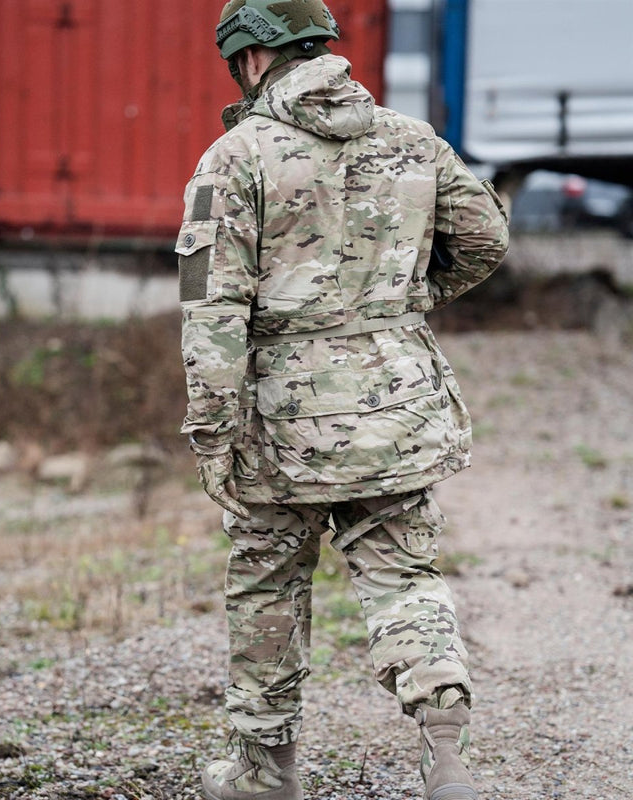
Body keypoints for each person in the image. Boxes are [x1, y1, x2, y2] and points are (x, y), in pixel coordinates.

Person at [175, 2, 509, 799]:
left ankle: (265, 772)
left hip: (278, 423)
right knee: (403, 575)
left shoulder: (234, 157)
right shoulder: (409, 138)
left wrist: (212, 433)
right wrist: (406, 302)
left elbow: (213, 309)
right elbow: (488, 238)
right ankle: (447, 756)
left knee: (266, 581)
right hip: (396, 407)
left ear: (250, 58)